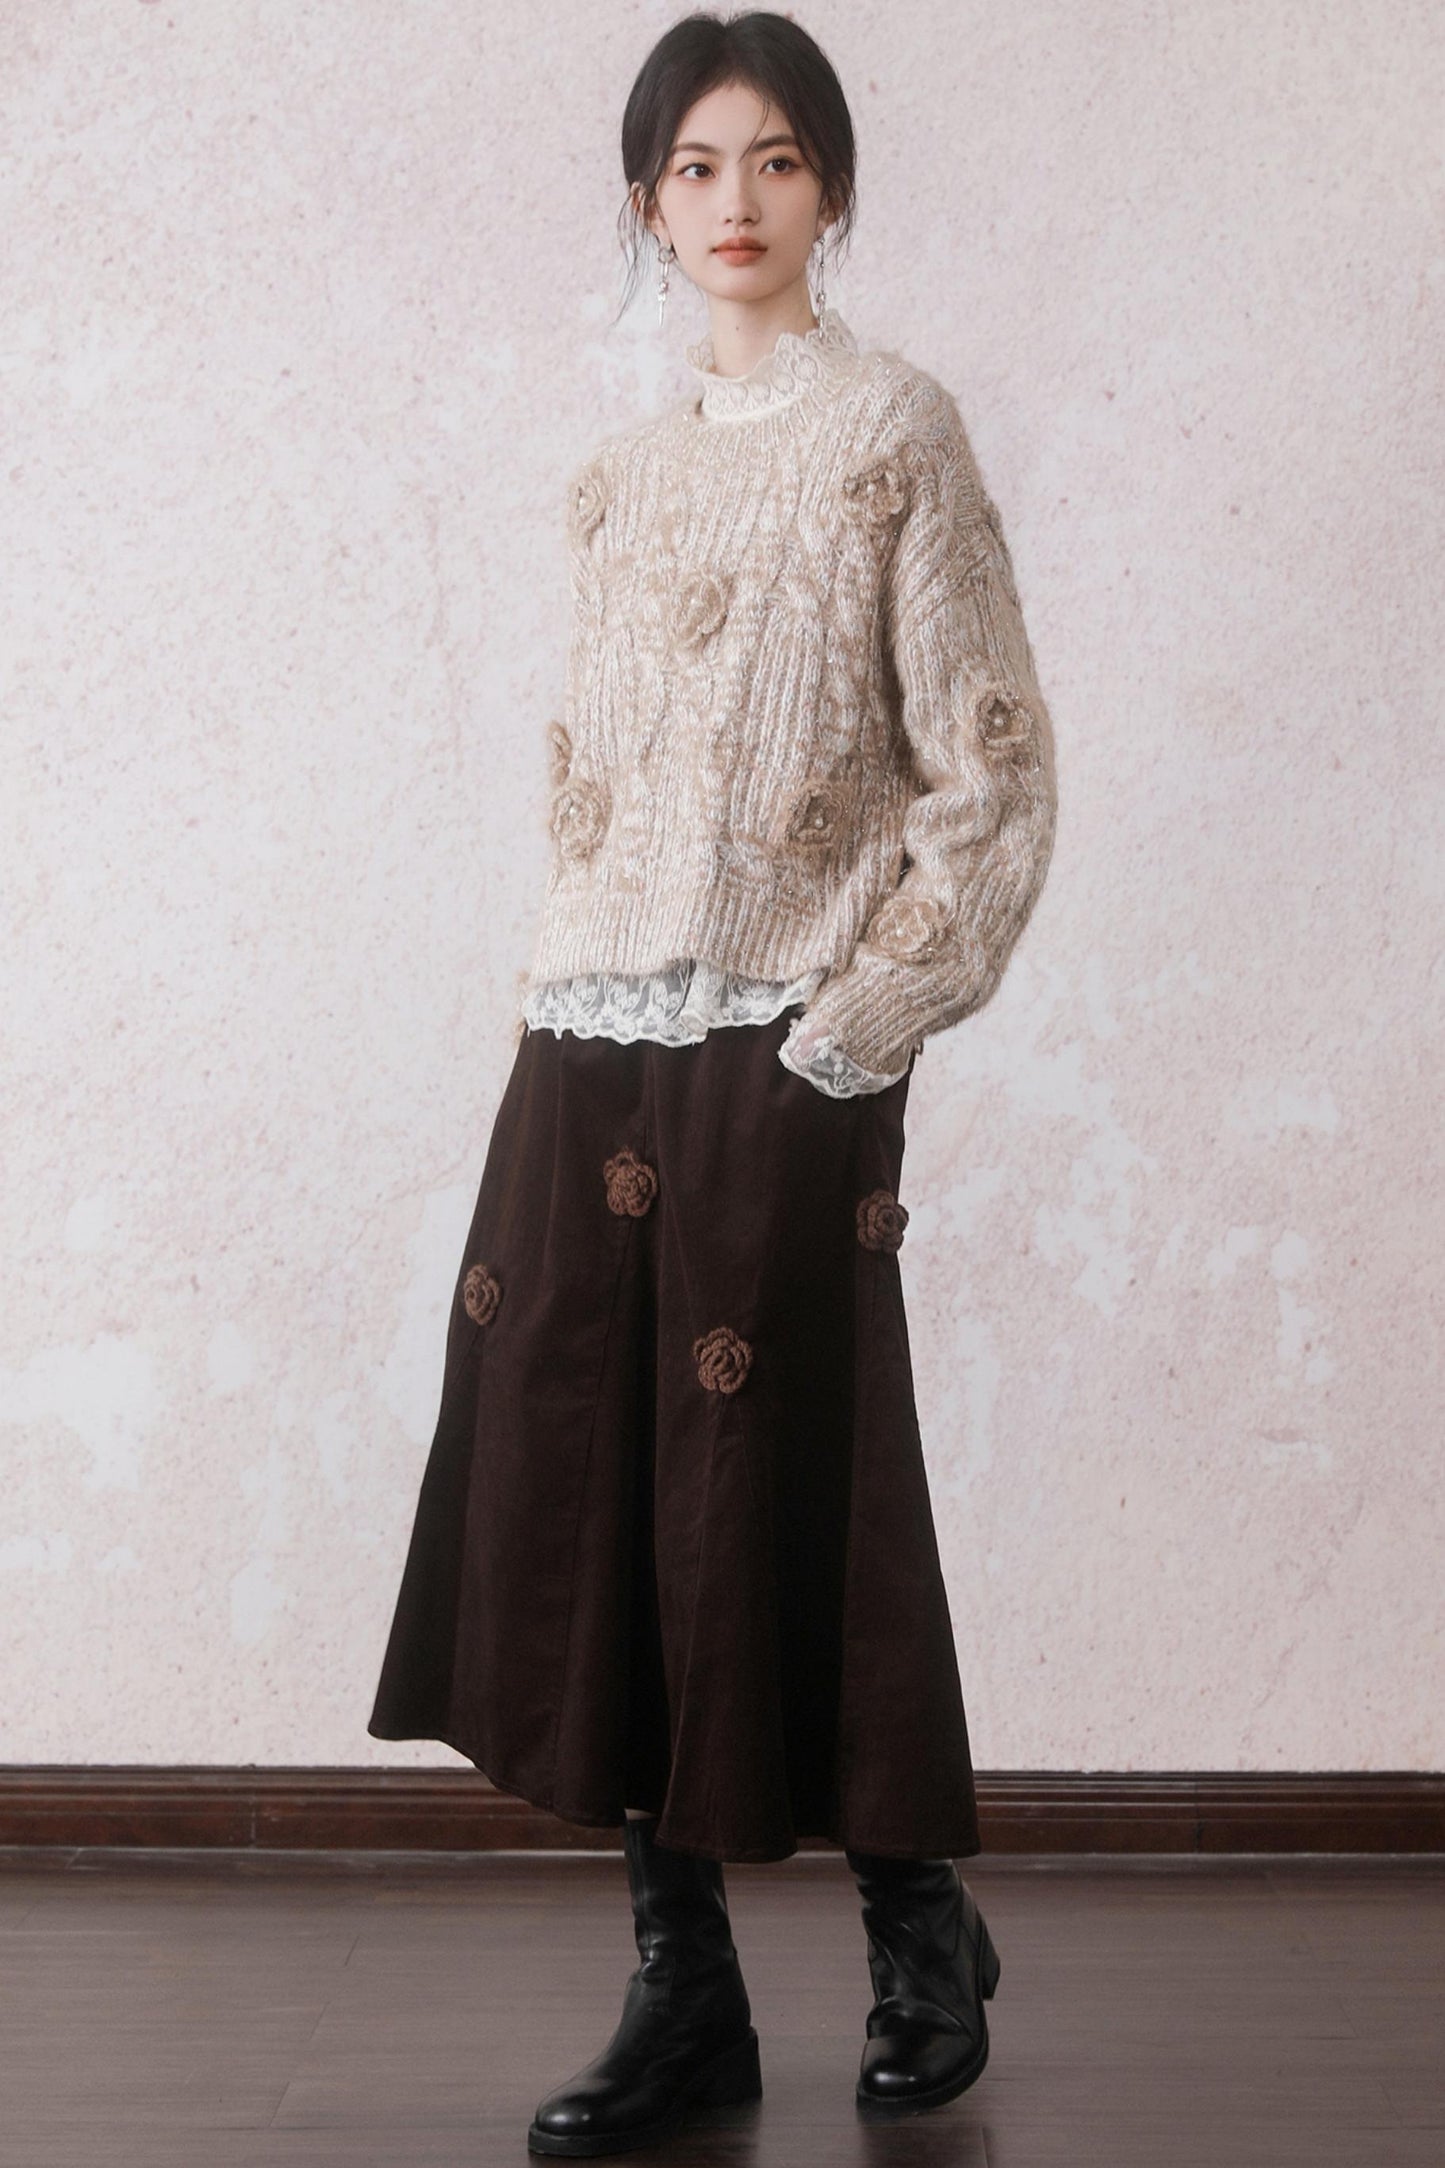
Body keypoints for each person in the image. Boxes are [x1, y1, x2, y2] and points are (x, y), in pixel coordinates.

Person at [367, 10, 1056, 2154]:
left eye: (773, 158)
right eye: (692, 166)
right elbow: (592, 785)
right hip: (589, 1049)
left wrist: (852, 1034)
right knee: (591, 1504)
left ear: (829, 186)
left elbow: (990, 773)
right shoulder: (622, 479)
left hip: (786, 1047)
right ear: (646, 203)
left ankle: (917, 1927)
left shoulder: (893, 432)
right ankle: (686, 1993)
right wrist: (555, 1014)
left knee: (796, 1481)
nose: (733, 200)